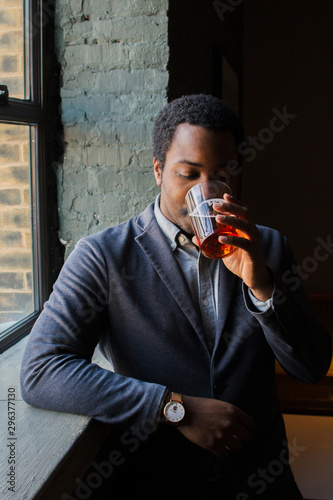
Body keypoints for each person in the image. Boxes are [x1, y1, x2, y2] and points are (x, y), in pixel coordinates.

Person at [20, 94, 332, 499]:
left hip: (263, 481)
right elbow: (41, 369)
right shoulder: (103, 256)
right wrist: (172, 407)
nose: (205, 191)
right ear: (158, 170)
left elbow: (311, 367)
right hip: (159, 481)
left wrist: (262, 285)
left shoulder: (268, 247)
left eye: (222, 174)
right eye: (188, 174)